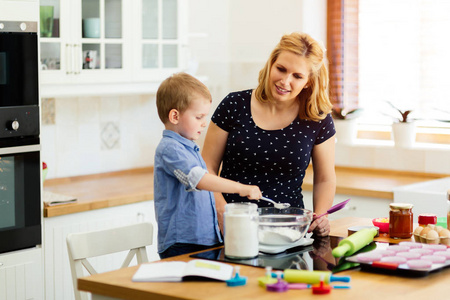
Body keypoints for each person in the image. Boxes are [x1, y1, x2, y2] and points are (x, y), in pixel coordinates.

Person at [202, 32, 336, 237]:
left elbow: (325, 178)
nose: (285, 81)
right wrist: (221, 210)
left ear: (308, 81)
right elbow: (207, 167)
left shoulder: (317, 118)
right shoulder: (234, 105)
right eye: (281, 69)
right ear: (271, 64)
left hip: (287, 232)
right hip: (229, 226)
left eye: (297, 76)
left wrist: (321, 215)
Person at [154, 72, 262, 259]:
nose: (204, 123)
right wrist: (241, 188)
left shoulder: (188, 147)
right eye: (199, 117)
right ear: (174, 116)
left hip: (204, 240)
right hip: (183, 244)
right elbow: (200, 180)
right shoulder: (170, 148)